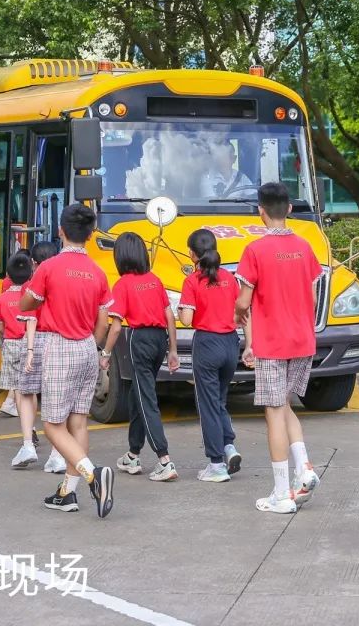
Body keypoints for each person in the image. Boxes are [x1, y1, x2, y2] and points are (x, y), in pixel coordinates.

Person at [20, 204, 114, 517]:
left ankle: (93, 474)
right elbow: (105, 321)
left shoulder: (49, 268)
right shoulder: (98, 272)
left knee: (52, 425)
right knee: (78, 421)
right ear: (90, 235)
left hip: (60, 347)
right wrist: (95, 346)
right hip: (88, 347)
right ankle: (66, 493)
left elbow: (26, 301)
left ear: (60, 231)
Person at [234, 182, 321, 514]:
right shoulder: (304, 246)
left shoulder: (254, 251)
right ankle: (304, 469)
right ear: (288, 209)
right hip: (303, 339)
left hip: (272, 342)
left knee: (272, 412)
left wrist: (241, 314)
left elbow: (244, 300)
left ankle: (281, 494)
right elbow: (312, 298)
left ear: (260, 211)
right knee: (284, 404)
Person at [100, 232, 181, 482]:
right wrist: (173, 349)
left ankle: (164, 459)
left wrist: (105, 353)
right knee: (138, 392)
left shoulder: (123, 284)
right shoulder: (154, 280)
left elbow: (115, 327)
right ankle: (133, 454)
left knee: (146, 399)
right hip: (159, 340)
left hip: (140, 340)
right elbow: (169, 316)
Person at [179, 228, 243, 482]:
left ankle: (216, 464)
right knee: (219, 400)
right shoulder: (230, 278)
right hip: (231, 343)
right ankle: (228, 447)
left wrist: (180, 307)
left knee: (207, 404)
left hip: (207, 344)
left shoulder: (192, 281)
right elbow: (242, 312)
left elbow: (187, 318)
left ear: (192, 254)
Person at [23, 241, 67, 474]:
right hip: (58, 340)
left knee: (27, 393)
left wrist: (29, 350)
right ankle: (57, 453)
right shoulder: (62, 281)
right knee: (57, 399)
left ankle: (28, 444)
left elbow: (30, 317)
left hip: (37, 340)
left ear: (33, 263)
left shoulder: (33, 284)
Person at [0, 251, 40, 467]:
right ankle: (31, 426)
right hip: (31, 343)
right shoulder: (32, 296)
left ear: (8, 276)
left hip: (11, 344)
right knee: (29, 389)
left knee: (18, 390)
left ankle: (27, 430)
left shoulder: (2, 298)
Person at [0, 247, 31, 419]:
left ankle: (10, 402)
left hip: (9, 341)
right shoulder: (30, 296)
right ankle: (12, 404)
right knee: (22, 380)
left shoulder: (3, 297)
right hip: (26, 342)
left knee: (14, 378)